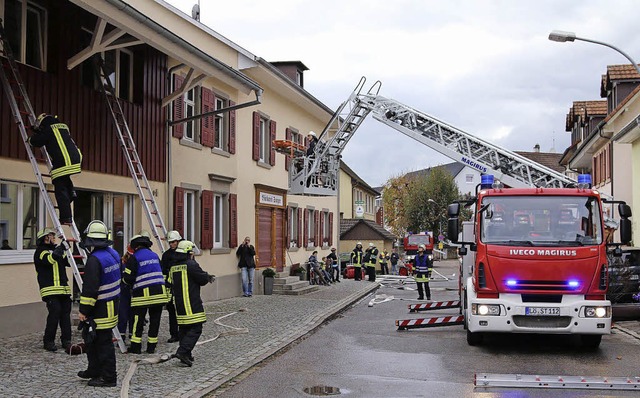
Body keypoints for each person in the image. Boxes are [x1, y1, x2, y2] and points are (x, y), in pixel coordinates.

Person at [77, 220, 120, 388]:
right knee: (92, 340)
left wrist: (83, 311)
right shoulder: (114, 254)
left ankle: (108, 378)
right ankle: (94, 370)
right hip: (112, 304)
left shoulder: (94, 260)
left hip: (100, 308)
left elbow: (90, 289)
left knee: (103, 343)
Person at [28, 113, 82, 224]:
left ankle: (66, 218)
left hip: (63, 162)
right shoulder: (63, 127)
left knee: (60, 189)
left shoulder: (48, 130)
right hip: (75, 158)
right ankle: (71, 192)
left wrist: (30, 139)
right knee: (64, 178)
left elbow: (37, 141)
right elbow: (54, 139)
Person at [169, 240, 215, 367]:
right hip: (191, 302)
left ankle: (187, 354)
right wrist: (208, 277)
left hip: (179, 304)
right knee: (196, 328)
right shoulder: (191, 264)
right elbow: (201, 279)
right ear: (189, 253)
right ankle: (182, 352)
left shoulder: (173, 267)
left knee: (184, 328)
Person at [122, 231, 169, 354]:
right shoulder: (154, 256)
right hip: (160, 293)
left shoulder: (134, 258)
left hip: (142, 295)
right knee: (155, 321)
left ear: (135, 246)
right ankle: (151, 347)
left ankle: (136, 347)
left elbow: (128, 278)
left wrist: (124, 281)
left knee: (138, 320)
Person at [33, 228, 72, 352]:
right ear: (45, 238)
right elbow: (50, 260)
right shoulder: (40, 252)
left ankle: (66, 341)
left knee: (65, 316)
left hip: (63, 290)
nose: (54, 238)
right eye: (51, 236)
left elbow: (68, 262)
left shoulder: (56, 250)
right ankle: (48, 341)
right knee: (55, 314)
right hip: (50, 291)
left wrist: (69, 250)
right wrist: (61, 248)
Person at [161, 230, 182, 343]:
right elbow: (163, 271)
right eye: (170, 242)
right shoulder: (166, 255)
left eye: (173, 242)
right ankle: (174, 334)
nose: (172, 244)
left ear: (178, 241)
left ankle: (183, 332)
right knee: (172, 312)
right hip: (170, 288)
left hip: (181, 287)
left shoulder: (183, 254)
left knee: (182, 311)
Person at [117, 245, 134, 344]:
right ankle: (121, 337)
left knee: (133, 315)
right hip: (123, 291)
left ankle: (133, 336)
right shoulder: (121, 263)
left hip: (133, 291)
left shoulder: (135, 261)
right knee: (122, 315)